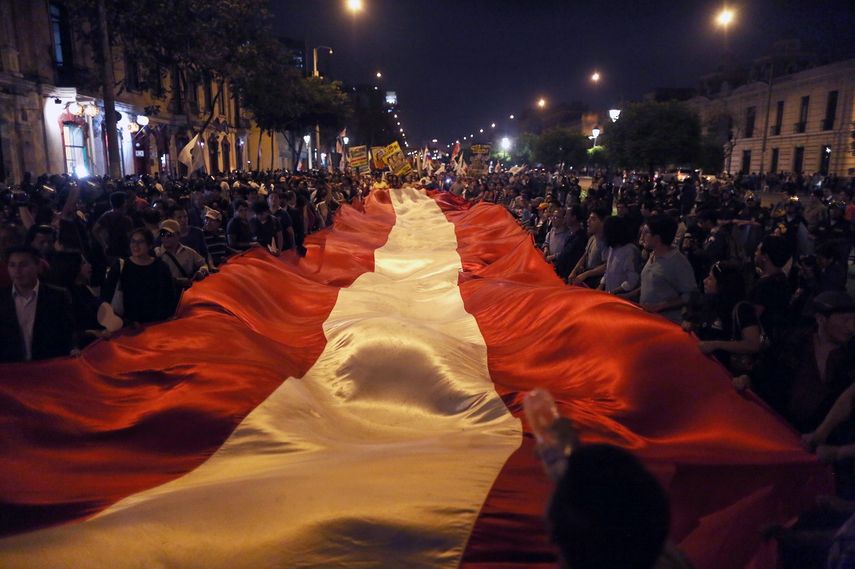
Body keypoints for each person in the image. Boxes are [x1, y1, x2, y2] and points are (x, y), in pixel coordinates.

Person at [0, 245, 75, 362]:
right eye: (12, 265)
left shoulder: (57, 296)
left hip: (48, 366)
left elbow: (67, 332)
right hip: (11, 369)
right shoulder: (2, 298)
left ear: (38, 266)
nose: (17, 271)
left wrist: (73, 348)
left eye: (23, 265)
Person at [102, 228, 176, 325]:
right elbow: (107, 296)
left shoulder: (160, 267)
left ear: (149, 245)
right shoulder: (120, 267)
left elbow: (169, 294)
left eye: (140, 242)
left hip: (156, 323)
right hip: (129, 325)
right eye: (133, 241)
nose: (135, 245)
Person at [638, 216, 697, 323]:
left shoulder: (678, 262)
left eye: (646, 233)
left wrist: (659, 306)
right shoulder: (653, 255)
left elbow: (689, 295)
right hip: (648, 319)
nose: (642, 237)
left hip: (666, 323)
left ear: (657, 238)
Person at [156, 219, 209, 289]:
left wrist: (202, 271)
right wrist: (177, 281)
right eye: (162, 234)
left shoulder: (189, 252)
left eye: (169, 235)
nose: (165, 237)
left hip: (187, 294)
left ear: (178, 235)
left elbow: (204, 264)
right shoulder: (157, 255)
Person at [600, 216, 640, 297]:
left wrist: (614, 292)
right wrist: (601, 286)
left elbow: (633, 280)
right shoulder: (612, 247)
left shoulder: (630, 250)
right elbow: (608, 272)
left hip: (623, 299)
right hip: (610, 295)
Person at [568, 208, 608, 288]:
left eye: (593, 219)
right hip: (586, 279)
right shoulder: (592, 238)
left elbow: (606, 266)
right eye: (589, 218)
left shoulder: (605, 242)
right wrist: (574, 271)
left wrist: (587, 274)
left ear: (603, 222)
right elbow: (585, 255)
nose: (588, 221)